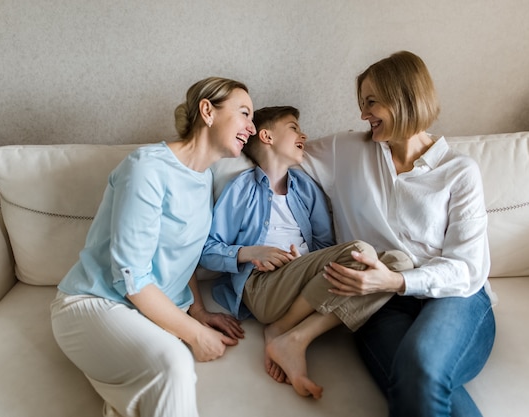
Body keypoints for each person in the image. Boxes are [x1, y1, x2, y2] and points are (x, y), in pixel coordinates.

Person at [302, 51, 496, 416]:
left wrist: (394, 280)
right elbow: (279, 151)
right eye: (361, 104)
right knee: (417, 379)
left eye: (372, 102)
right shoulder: (345, 150)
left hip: (455, 298)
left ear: (405, 98)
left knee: (422, 365)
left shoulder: (459, 171)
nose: (362, 114)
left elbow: (467, 269)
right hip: (377, 305)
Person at [50, 77, 254, 417]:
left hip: (146, 314)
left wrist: (198, 312)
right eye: (245, 113)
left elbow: (181, 257)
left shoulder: (204, 178)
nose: (251, 127)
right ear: (208, 110)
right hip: (93, 303)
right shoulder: (146, 167)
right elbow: (132, 276)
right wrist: (195, 335)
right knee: (175, 363)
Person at [199, 106, 413, 400]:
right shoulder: (242, 189)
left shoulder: (305, 188)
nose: (304, 134)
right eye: (293, 127)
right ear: (267, 136)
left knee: (400, 263)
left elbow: (325, 247)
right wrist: (251, 253)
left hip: (306, 282)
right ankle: (280, 330)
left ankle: (292, 337)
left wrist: (305, 263)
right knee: (361, 252)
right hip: (265, 287)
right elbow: (208, 250)